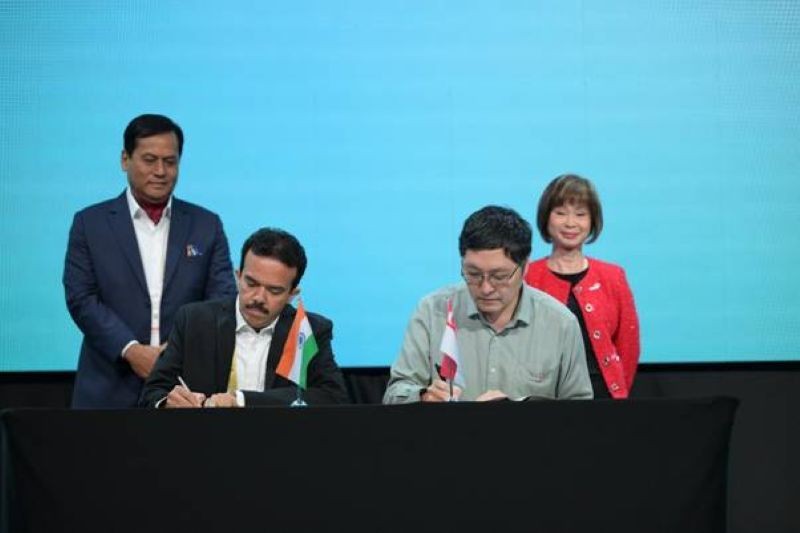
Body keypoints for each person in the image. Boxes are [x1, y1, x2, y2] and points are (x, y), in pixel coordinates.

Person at [64, 114, 236, 408]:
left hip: (185, 390)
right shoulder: (90, 224)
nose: (160, 171)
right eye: (149, 160)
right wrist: (131, 350)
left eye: (170, 162)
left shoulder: (206, 225)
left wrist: (175, 352)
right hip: (108, 385)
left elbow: (222, 297)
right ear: (125, 159)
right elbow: (81, 298)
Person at [383, 205, 592, 403]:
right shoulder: (432, 311)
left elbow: (580, 409)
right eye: (473, 274)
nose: (485, 288)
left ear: (525, 266)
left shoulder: (560, 323)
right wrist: (423, 397)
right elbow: (395, 393)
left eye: (499, 276)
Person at [140, 228, 349, 408]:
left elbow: (333, 397)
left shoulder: (308, 330)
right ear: (238, 276)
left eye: (274, 291)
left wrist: (241, 400)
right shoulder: (194, 321)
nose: (259, 298)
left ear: (292, 294)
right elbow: (153, 393)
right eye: (251, 283)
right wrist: (168, 402)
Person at [524, 174, 640, 399]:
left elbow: (628, 344)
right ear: (546, 218)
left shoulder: (613, 276)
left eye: (580, 214)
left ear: (592, 221)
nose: (570, 223)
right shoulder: (528, 276)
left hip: (604, 394)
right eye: (560, 213)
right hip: (546, 395)